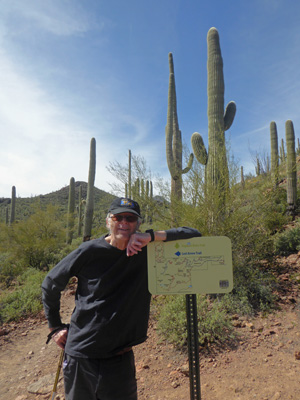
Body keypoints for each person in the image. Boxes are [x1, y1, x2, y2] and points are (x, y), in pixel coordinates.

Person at [42, 197, 201, 400]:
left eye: (130, 219)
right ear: (108, 221)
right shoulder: (89, 251)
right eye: (118, 217)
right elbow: (50, 284)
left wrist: (151, 237)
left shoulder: (147, 252)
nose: (124, 223)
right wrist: (55, 327)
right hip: (82, 355)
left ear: (138, 224)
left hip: (120, 358)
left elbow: (194, 234)